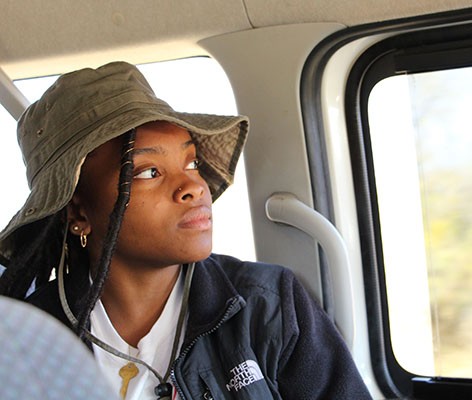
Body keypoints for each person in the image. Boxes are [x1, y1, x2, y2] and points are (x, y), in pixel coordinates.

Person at [0, 61, 372, 399]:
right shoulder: (26, 342)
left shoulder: (269, 306)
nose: (193, 187)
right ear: (79, 211)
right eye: (148, 172)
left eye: (191, 163)